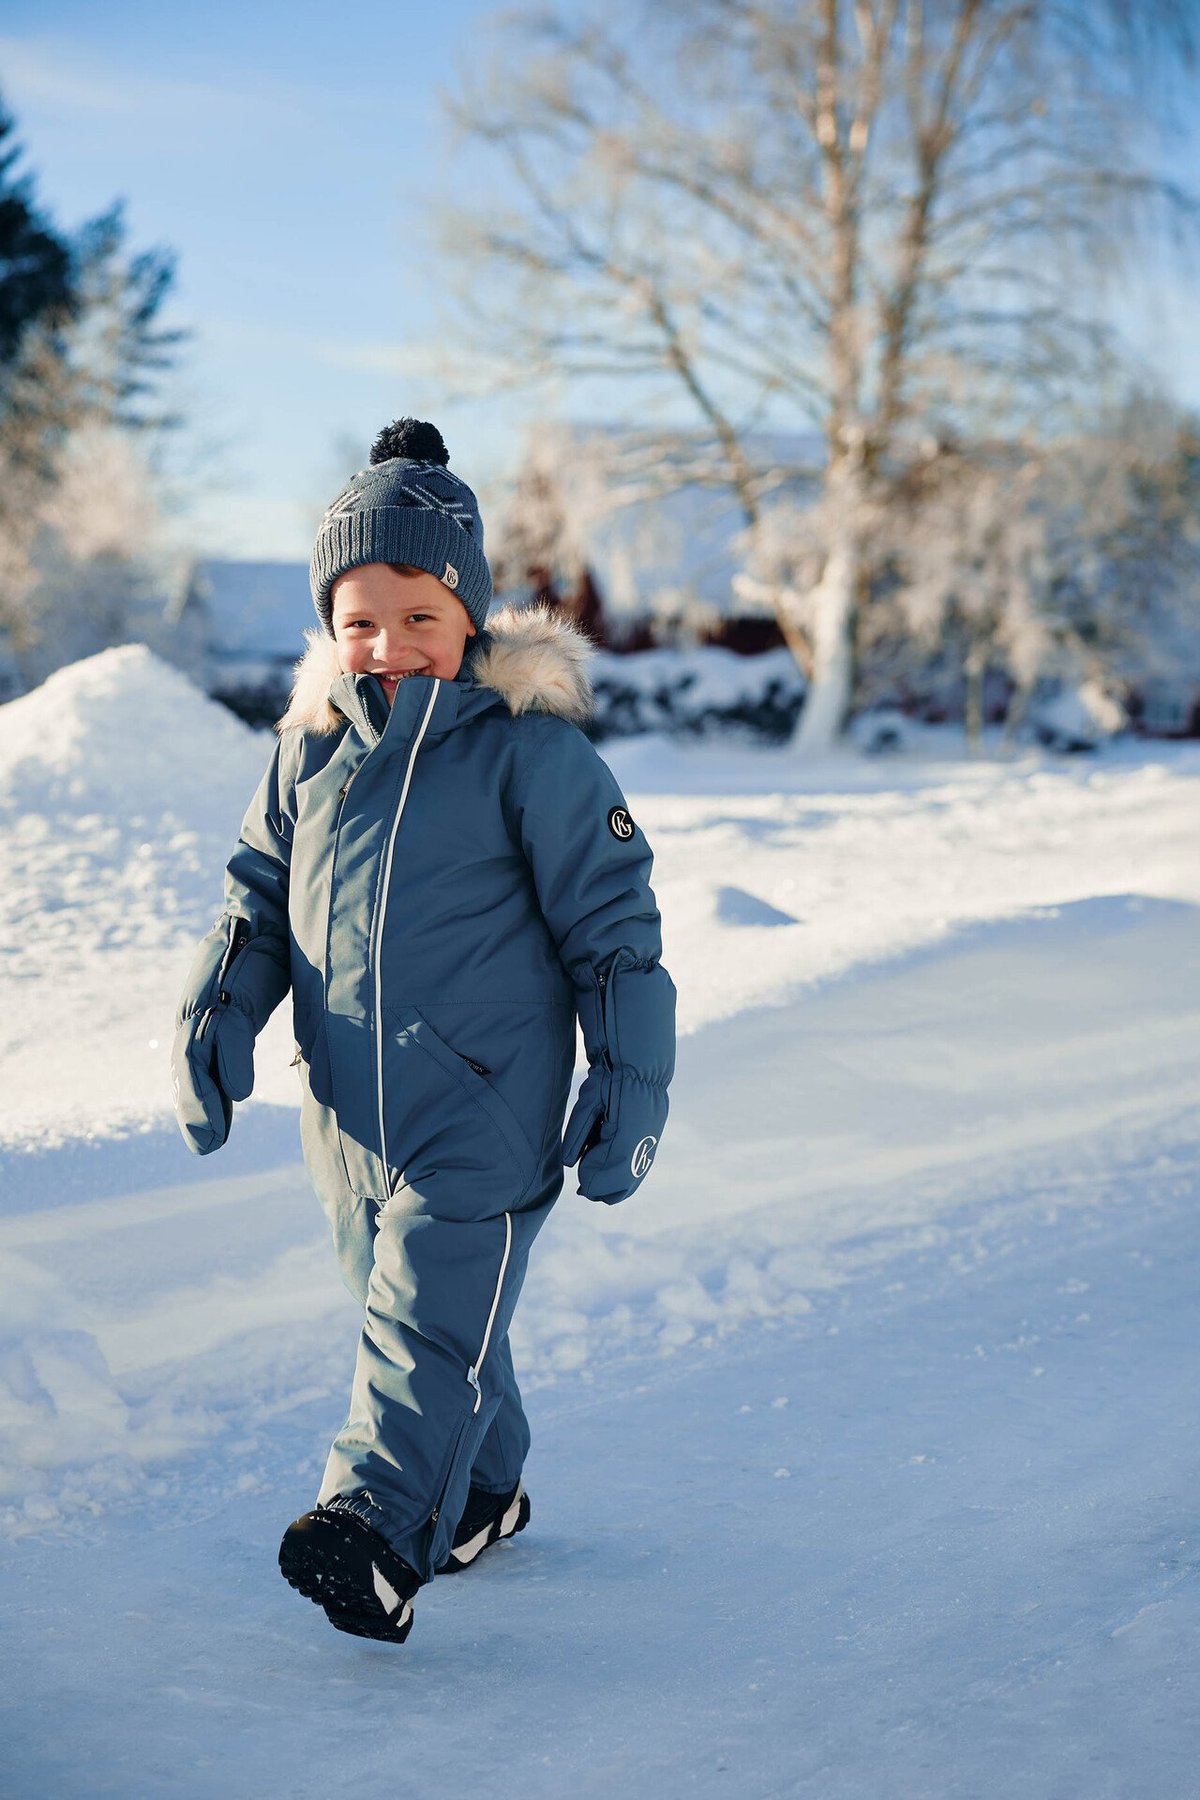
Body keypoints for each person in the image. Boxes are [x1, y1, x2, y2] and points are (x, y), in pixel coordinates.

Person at [171, 418, 676, 1644]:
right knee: (424, 1320)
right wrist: (216, 1016)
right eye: (358, 620)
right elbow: (254, 902)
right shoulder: (307, 757)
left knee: (423, 1324)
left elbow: (616, 935)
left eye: (418, 618)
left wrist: (628, 1078)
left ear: (471, 620)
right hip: (344, 1121)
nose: (387, 646)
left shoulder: (527, 757)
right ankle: (487, 1490)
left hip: (483, 1113)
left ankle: (374, 1530)